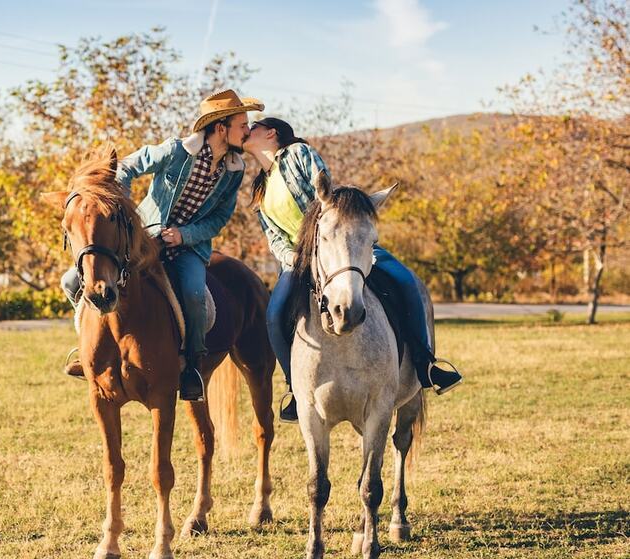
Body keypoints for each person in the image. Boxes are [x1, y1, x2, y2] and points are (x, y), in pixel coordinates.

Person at [242, 117, 462, 423]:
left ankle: (427, 365)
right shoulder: (259, 188)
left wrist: (331, 237)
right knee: (275, 314)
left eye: (251, 126)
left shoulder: (299, 154)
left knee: (406, 281)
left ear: (270, 133)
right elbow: (273, 235)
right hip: (298, 261)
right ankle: (296, 389)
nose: (245, 131)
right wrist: (290, 256)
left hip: (341, 246)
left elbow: (333, 198)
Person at [61, 89, 264, 402]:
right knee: (71, 280)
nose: (247, 131)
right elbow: (129, 166)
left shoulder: (234, 172)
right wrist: (120, 205)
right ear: (220, 127)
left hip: (188, 248)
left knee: (196, 295)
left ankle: (192, 366)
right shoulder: (176, 151)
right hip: (144, 240)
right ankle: (87, 353)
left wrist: (185, 235)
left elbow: (220, 217)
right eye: (242, 124)